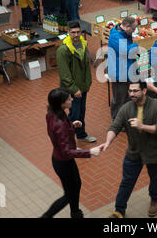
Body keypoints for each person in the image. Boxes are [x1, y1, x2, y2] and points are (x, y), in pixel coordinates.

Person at [98, 82, 157, 218]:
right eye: (130, 91)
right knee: (127, 181)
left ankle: (154, 200)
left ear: (144, 91)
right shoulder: (126, 108)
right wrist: (108, 141)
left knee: (155, 179)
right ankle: (119, 210)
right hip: (135, 151)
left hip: (155, 151)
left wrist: (142, 126)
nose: (131, 94)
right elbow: (115, 126)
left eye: (135, 91)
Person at [41, 88, 101, 218]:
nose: (72, 99)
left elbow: (59, 134)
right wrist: (90, 152)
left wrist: (72, 126)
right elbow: (67, 152)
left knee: (76, 185)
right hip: (63, 162)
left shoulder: (53, 113)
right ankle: (46, 216)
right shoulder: (59, 123)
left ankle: (75, 212)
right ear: (61, 103)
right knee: (69, 194)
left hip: (60, 159)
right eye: (69, 99)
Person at [56, 21, 97, 144]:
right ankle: (65, 139)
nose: (76, 35)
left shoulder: (83, 45)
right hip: (72, 90)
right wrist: (74, 90)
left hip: (83, 87)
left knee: (81, 112)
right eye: (73, 32)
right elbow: (64, 74)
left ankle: (81, 135)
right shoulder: (63, 50)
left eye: (78, 32)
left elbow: (85, 66)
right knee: (73, 115)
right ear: (68, 32)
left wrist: (87, 83)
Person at [107, 17, 139, 119]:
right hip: (119, 73)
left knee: (126, 97)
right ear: (127, 26)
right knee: (119, 99)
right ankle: (116, 121)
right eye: (133, 29)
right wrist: (136, 45)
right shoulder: (116, 37)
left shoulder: (125, 34)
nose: (134, 32)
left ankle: (125, 118)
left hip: (126, 71)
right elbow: (127, 51)